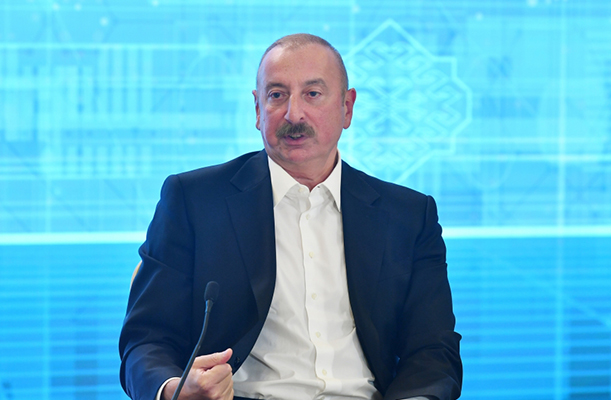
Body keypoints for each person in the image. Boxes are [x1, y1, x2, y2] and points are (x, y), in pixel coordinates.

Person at [119, 33, 462, 400]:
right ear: (257, 110)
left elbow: (433, 350)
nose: (293, 114)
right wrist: (176, 389)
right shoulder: (195, 201)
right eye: (277, 95)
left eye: (312, 94)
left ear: (347, 108)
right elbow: (146, 340)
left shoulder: (408, 216)